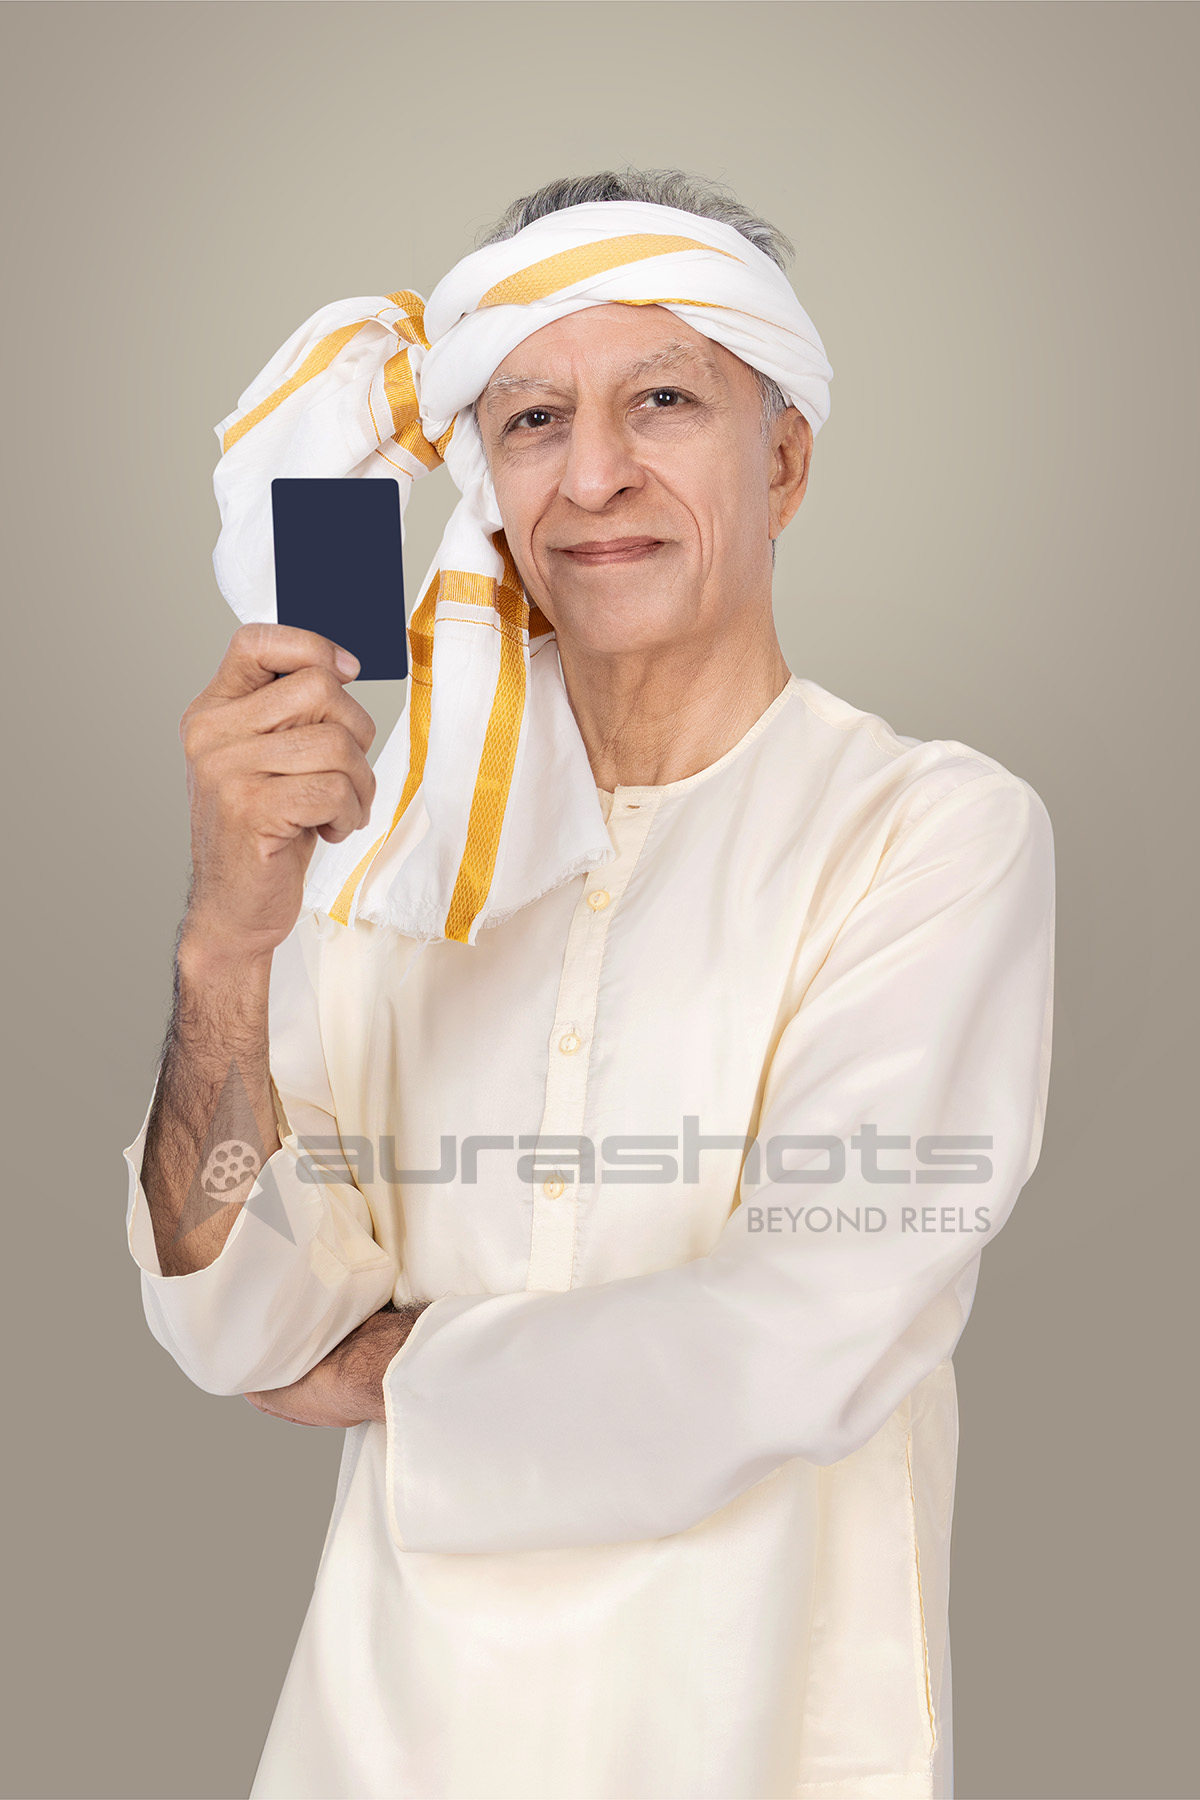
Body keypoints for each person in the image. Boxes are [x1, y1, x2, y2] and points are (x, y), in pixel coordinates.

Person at [123, 169, 1055, 1800]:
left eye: (664, 400)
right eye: (534, 418)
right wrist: (227, 947)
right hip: (378, 1749)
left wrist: (394, 1369)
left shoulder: (925, 833)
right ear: (486, 478)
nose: (595, 474)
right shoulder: (389, 857)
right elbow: (238, 1308)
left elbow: (806, 1328)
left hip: (762, 1747)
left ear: (784, 457)